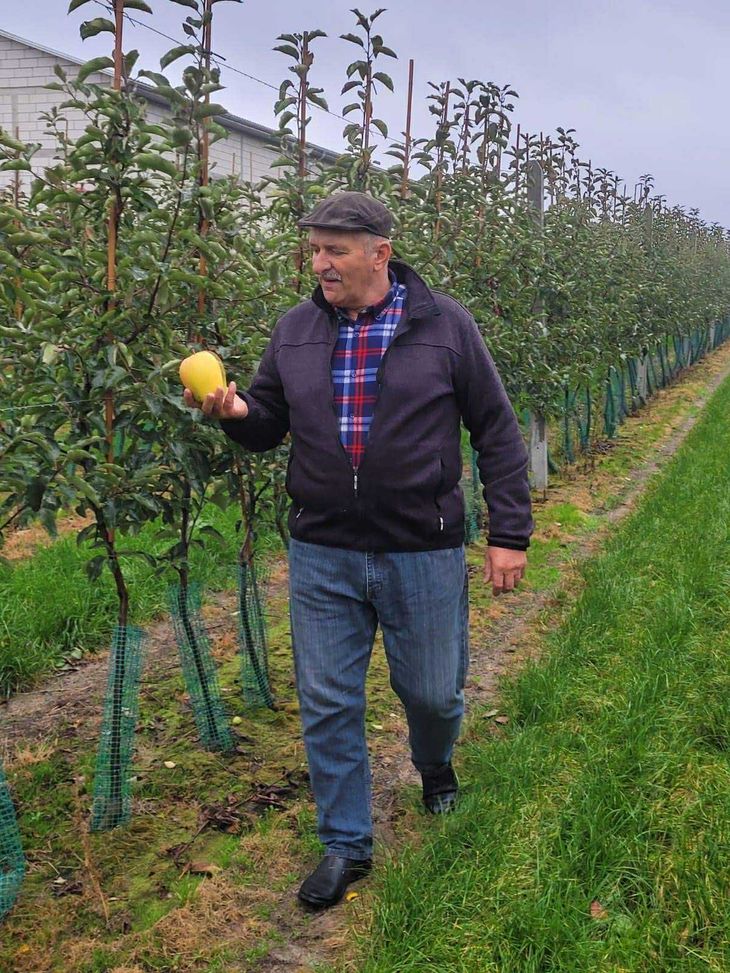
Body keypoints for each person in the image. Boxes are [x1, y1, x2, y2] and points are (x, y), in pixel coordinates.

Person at [183, 191, 533, 910]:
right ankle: (345, 842)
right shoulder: (296, 329)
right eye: (315, 249)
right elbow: (268, 421)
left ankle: (434, 763)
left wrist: (507, 533)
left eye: (335, 250)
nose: (320, 263)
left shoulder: (444, 325)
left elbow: (496, 430)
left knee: (432, 691)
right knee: (327, 699)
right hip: (323, 548)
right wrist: (236, 411)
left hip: (421, 547)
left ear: (380, 253)